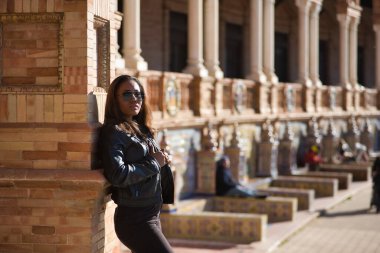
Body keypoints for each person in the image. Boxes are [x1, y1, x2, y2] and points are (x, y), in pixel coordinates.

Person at [99, 75, 173, 253]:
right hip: (134, 219)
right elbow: (118, 174)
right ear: (115, 100)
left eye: (138, 94)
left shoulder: (140, 128)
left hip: (152, 213)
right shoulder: (114, 132)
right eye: (127, 94)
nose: (134, 98)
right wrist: (155, 162)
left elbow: (148, 162)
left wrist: (162, 159)